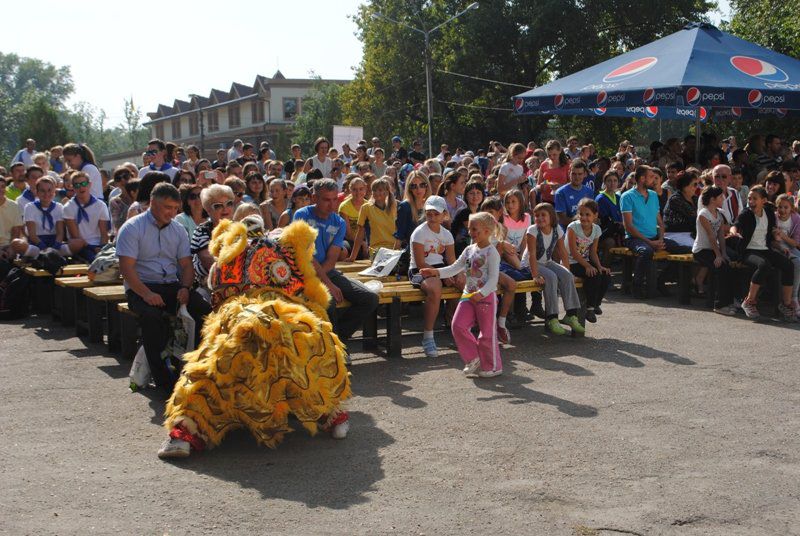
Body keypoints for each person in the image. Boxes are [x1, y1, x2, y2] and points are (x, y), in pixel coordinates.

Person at [116, 182, 194, 395]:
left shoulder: (178, 229)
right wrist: (147, 294)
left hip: (171, 284)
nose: (172, 213)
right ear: (152, 203)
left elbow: (186, 265)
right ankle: (163, 380)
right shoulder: (132, 228)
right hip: (141, 286)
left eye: (175, 208)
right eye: (167, 207)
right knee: (152, 317)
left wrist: (186, 287)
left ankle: (196, 370)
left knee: (202, 309)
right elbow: (126, 269)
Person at [292, 179, 379, 345]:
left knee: (370, 299)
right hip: (302, 273)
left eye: (334, 199)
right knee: (329, 301)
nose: (331, 205)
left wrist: (325, 280)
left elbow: (332, 259)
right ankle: (335, 348)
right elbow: (306, 256)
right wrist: (327, 284)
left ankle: (337, 341)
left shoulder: (338, 222)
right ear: (314, 198)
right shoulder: (301, 215)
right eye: (326, 199)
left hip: (326, 271)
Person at [420, 212, 502, 377]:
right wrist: (435, 271)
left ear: (487, 231)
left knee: (487, 334)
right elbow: (455, 267)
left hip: (486, 298)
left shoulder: (492, 253)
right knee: (457, 325)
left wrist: (482, 292)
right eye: (470, 228)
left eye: (475, 229)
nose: (471, 232)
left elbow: (494, 279)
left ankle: (493, 366)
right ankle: (473, 357)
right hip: (468, 296)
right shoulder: (469, 250)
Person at [409, 195, 464, 357]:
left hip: (439, 269)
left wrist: (457, 273)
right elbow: (420, 264)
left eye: (436, 213)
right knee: (434, 287)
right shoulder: (419, 233)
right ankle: (428, 336)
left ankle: (460, 327)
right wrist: (443, 274)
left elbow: (452, 260)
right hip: (419, 271)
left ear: (444, 215)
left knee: (464, 282)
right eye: (429, 213)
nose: (432, 217)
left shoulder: (447, 234)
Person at [730, 186, 795, 321]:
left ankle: (786, 304)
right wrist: (733, 231)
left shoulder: (769, 213)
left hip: (765, 249)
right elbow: (736, 224)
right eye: (749, 198)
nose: (751, 201)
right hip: (748, 251)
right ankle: (749, 301)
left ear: (763, 200)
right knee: (764, 265)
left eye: (755, 199)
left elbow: (770, 235)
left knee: (788, 265)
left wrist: (780, 245)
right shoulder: (746, 214)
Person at [524, 203, 584, 335]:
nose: (539, 218)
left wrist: (568, 272)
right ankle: (552, 317)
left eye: (543, 215)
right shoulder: (532, 231)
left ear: (551, 217)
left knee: (567, 276)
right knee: (551, 277)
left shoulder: (557, 229)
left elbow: (563, 252)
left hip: (547, 262)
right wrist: (535, 275)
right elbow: (531, 255)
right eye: (537, 215)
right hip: (530, 264)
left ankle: (571, 315)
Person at [620, 165, 676, 297]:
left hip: (654, 237)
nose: (654, 180)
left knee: (685, 249)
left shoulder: (653, 195)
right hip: (634, 238)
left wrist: (660, 240)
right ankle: (637, 286)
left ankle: (660, 281)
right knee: (646, 251)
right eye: (651, 177)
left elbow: (660, 222)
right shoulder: (627, 197)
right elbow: (628, 226)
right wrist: (651, 243)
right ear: (641, 178)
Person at [566, 198, 611, 323]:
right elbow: (573, 252)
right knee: (593, 275)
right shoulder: (573, 227)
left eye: (588, 215)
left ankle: (596, 303)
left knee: (605, 274)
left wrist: (599, 266)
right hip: (570, 262)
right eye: (581, 214)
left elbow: (593, 252)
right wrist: (588, 266)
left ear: (595, 216)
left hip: (584, 260)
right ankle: (589, 308)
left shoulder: (596, 229)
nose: (584, 218)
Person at [693, 186, 736, 315]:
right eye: (720, 196)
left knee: (728, 265)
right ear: (713, 199)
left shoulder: (719, 213)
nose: (723, 198)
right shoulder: (703, 214)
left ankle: (729, 302)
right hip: (701, 250)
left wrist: (723, 254)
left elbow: (720, 236)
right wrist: (718, 256)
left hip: (713, 249)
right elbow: (711, 236)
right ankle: (719, 305)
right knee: (721, 267)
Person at [63, 172, 110, 262]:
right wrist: (92, 248)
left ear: (89, 185)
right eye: (76, 185)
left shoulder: (100, 205)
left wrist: (102, 248)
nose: (81, 187)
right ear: (72, 187)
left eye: (83, 184)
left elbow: (104, 234)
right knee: (94, 260)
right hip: (81, 246)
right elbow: (75, 236)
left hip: (98, 245)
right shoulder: (68, 207)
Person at [16, 176, 67, 259]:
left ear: (54, 191)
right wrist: (44, 248)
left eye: (49, 190)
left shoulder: (59, 207)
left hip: (54, 242)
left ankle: (51, 256)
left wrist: (54, 248)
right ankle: (41, 256)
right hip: (37, 243)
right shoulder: (30, 207)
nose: (46, 194)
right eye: (42, 191)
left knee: (75, 244)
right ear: (37, 192)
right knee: (17, 243)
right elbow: (32, 235)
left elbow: (60, 233)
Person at [348, 178, 397, 260]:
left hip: (395, 249)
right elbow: (360, 233)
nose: (377, 193)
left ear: (387, 192)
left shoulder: (395, 206)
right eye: (374, 190)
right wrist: (352, 257)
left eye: (380, 190)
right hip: (376, 250)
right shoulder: (366, 208)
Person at [772, 193, 800, 316]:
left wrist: (783, 236)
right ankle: (791, 299)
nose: (782, 210)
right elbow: (770, 241)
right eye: (780, 207)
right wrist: (779, 243)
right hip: (776, 247)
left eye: (786, 207)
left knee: (798, 260)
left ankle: (794, 296)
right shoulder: (773, 218)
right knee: (794, 262)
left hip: (789, 246)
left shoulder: (796, 219)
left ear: (791, 208)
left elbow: (795, 243)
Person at [662, 170, 699, 251]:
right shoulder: (675, 199)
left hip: (691, 234)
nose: (697, 187)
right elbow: (695, 218)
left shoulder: (695, 198)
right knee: (699, 250)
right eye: (695, 184)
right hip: (675, 235)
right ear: (685, 186)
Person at [394, 170, 431, 250]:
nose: (418, 189)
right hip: (413, 251)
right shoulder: (405, 206)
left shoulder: (431, 204)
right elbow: (400, 236)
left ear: (427, 186)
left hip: (432, 249)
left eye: (422, 185)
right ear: (409, 188)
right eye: (414, 186)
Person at [554, 159, 594, 229]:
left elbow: (592, 215)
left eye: (580, 174)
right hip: (568, 232)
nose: (577, 177)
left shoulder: (589, 191)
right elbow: (562, 219)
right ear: (569, 173)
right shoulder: (560, 192)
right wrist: (582, 221)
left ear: (584, 174)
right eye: (574, 174)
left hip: (586, 232)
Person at [450, 180, 485, 255]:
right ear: (466, 195)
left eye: (478, 192)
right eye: (471, 193)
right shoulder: (464, 211)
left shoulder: (482, 211)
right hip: (461, 249)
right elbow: (475, 232)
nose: (475, 196)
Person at [338, 177, 368, 258]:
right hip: (349, 240)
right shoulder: (344, 206)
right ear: (350, 190)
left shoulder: (368, 205)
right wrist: (362, 243)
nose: (358, 192)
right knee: (343, 251)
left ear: (365, 189)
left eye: (361, 189)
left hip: (366, 240)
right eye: (354, 189)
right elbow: (348, 234)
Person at [535, 140, 570, 204]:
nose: (552, 157)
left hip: (562, 199)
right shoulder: (544, 165)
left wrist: (560, 186)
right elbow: (537, 185)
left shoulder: (567, 164)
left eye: (554, 154)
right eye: (549, 155)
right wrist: (541, 187)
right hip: (546, 201)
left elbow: (571, 183)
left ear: (559, 151)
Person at [0, 177, 23, 259]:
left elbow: (16, 230)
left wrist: (11, 248)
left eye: (2, 187)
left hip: (8, 245)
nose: (0, 190)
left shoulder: (13, 205)